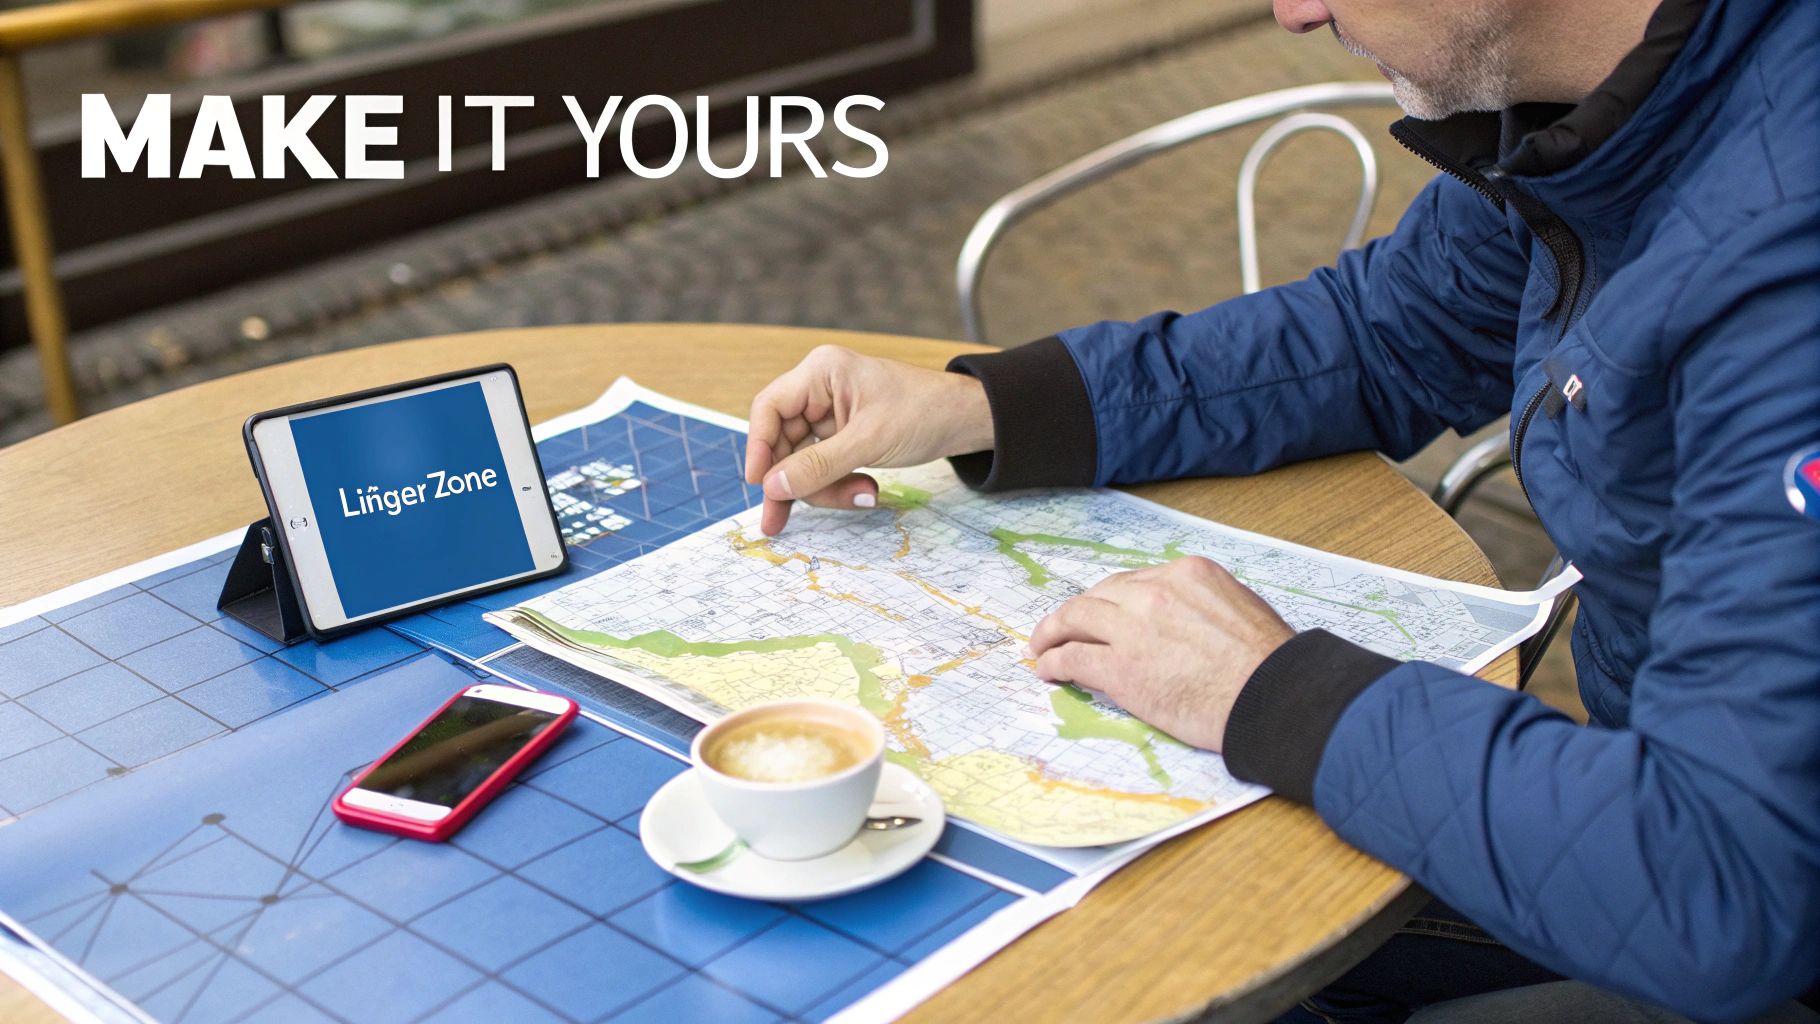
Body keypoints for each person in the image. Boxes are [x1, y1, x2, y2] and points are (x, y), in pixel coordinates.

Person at [743, 0, 1820, 1019]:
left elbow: (1721, 879)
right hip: (1662, 810)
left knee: (1166, 950)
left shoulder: (1782, 246)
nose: (1290, 12)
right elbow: (1384, 334)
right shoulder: (1602, 111)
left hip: (1733, 911)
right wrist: (978, 408)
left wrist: (1272, 690)